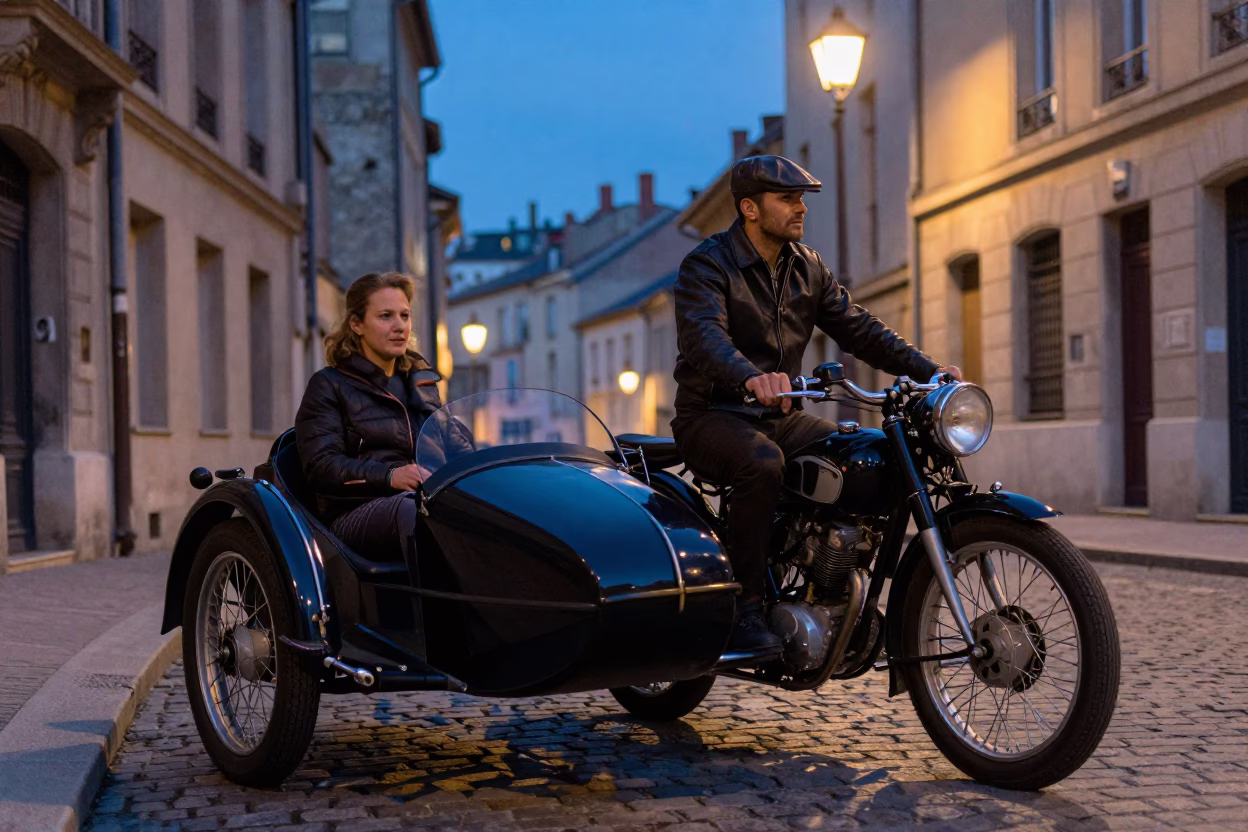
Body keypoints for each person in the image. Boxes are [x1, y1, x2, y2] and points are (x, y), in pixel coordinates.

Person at [672, 155, 961, 654]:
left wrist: (927, 370)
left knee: (875, 456)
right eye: (788, 198)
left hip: (781, 415)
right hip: (712, 415)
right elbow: (704, 337)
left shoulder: (807, 266)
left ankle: (833, 583)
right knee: (762, 465)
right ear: (750, 209)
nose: (800, 207)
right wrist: (750, 378)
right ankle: (745, 608)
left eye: (802, 197)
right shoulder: (708, 264)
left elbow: (859, 328)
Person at [295, 272, 444, 561]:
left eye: (404, 315)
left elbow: (456, 446)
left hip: (426, 500)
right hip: (354, 512)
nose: (399, 326)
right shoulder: (329, 385)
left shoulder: (422, 383)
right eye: (385, 316)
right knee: (411, 509)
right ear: (356, 324)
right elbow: (322, 467)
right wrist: (389, 476)